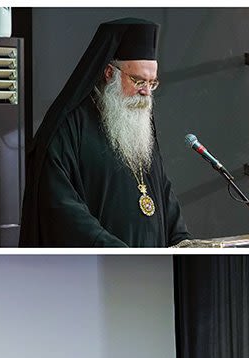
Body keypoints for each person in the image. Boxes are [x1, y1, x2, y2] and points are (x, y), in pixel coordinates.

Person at [20, 18, 190, 247]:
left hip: (151, 265)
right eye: (138, 81)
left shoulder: (139, 124)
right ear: (109, 73)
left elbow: (162, 191)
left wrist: (182, 240)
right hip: (100, 264)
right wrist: (114, 251)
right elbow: (59, 206)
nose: (146, 92)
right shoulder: (69, 127)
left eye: (152, 83)